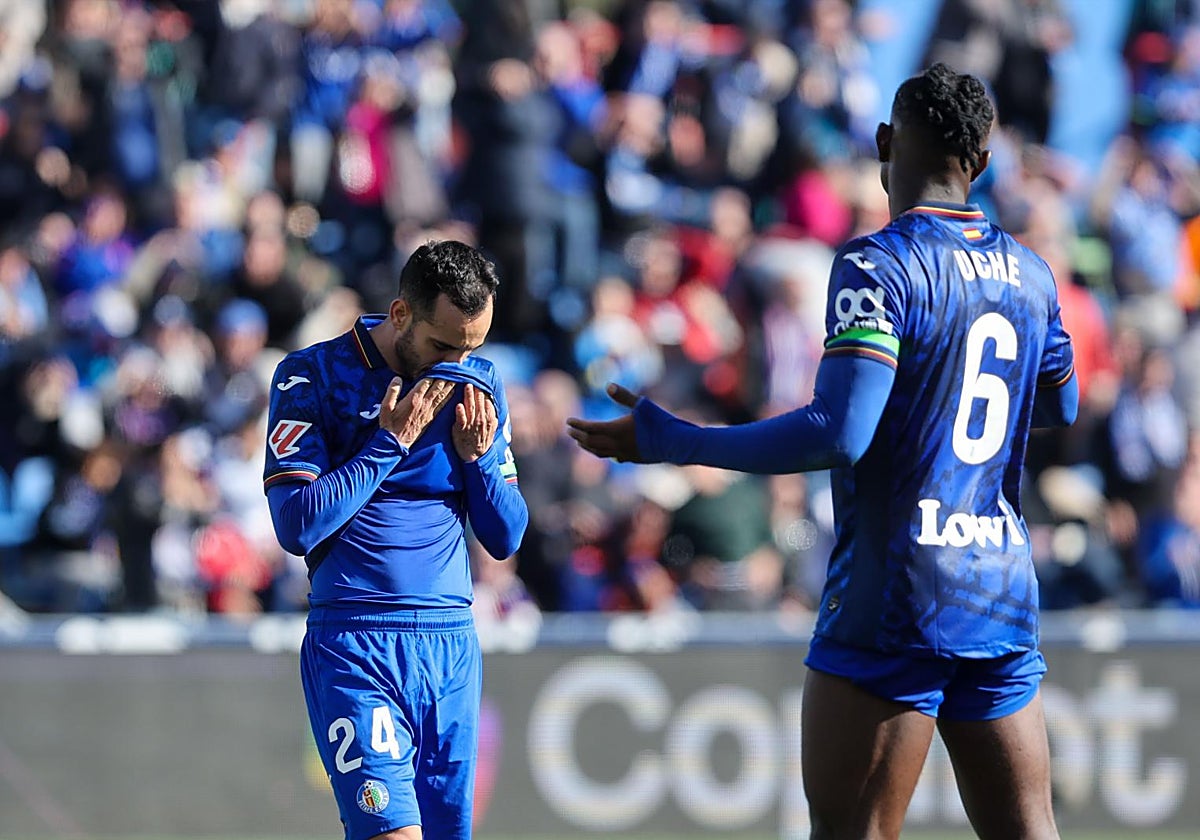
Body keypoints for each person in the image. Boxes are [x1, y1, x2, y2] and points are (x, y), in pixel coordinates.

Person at [568, 63, 1077, 840]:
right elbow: (1062, 404)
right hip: (999, 585)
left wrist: (680, 441)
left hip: (898, 590)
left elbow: (840, 431)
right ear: (981, 160)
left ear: (883, 143)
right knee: (1029, 831)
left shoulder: (879, 264)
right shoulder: (1033, 274)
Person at [264, 240, 528, 840]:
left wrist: (480, 461)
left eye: (471, 348)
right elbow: (296, 524)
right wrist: (390, 442)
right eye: (443, 346)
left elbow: (506, 535)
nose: (455, 365)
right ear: (401, 314)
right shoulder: (313, 376)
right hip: (357, 644)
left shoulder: (479, 383)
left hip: (450, 647)